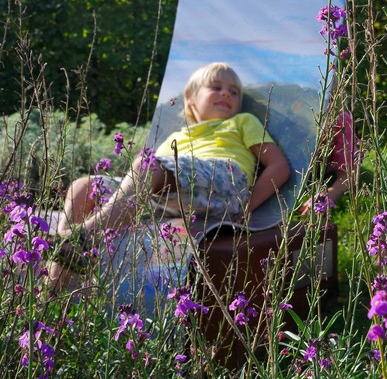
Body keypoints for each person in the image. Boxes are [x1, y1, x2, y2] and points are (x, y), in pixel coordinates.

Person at [49, 62, 291, 283]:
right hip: (170, 199)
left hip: (223, 179)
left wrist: (248, 204)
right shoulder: (176, 137)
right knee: (85, 185)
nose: (226, 93)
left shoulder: (242, 122)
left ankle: (83, 237)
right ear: (191, 97)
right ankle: (57, 278)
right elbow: (142, 184)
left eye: (234, 92)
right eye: (215, 87)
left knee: (147, 162)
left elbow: (278, 166)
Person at [297, 109, 358, 216]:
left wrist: (327, 195)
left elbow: (349, 173)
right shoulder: (279, 109)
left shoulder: (341, 120)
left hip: (319, 174)